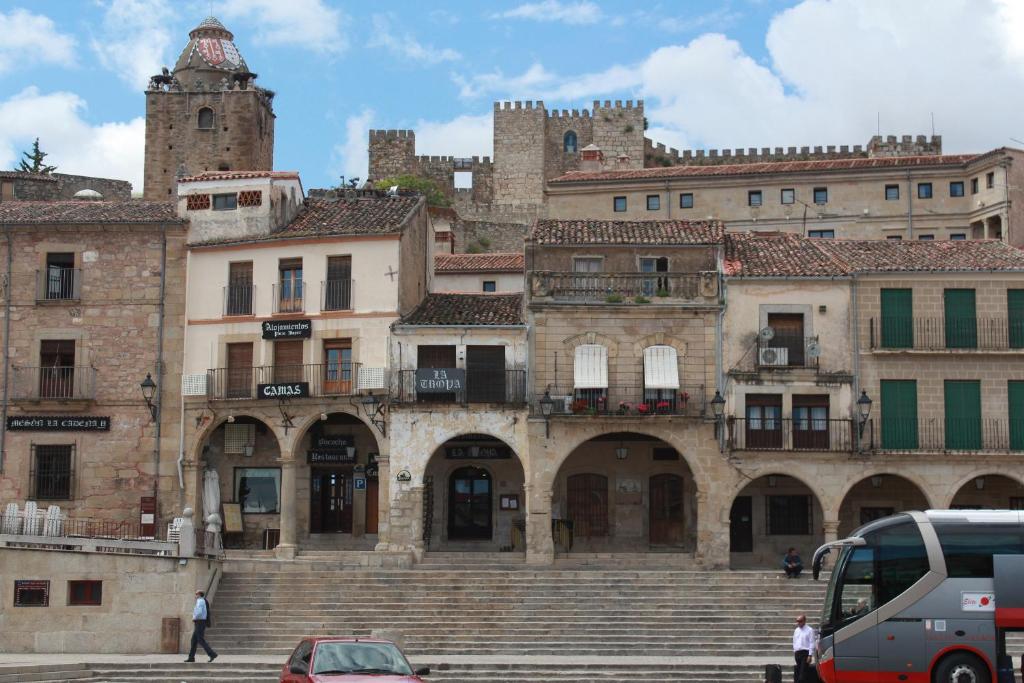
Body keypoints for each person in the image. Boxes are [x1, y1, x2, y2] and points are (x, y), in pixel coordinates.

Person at [185, 589, 218, 663]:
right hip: (200, 622)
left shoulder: (200, 601)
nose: (195, 595)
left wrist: (194, 618)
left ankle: (212, 654)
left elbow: (199, 612)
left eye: (196, 594)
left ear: (199, 594)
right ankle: (191, 657)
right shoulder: (202, 601)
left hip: (199, 622)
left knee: (200, 639)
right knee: (194, 640)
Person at [792, 613, 815, 683]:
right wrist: (795, 651)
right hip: (797, 653)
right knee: (800, 672)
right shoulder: (796, 630)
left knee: (802, 674)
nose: (798, 623)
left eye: (800, 621)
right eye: (797, 621)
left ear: (804, 621)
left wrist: (810, 655)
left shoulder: (809, 630)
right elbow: (794, 641)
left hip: (805, 653)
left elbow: (812, 642)